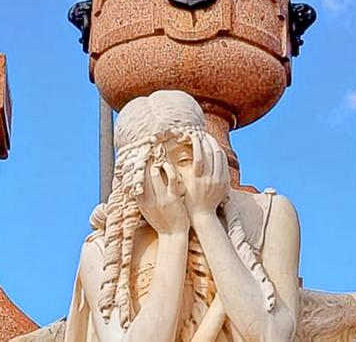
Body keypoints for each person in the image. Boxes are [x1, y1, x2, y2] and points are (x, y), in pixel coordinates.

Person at [63, 90, 300, 342]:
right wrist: (173, 235)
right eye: (156, 169)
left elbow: (272, 334)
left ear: (207, 154)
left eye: (184, 158)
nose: (174, 178)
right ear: (131, 181)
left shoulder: (269, 214)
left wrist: (204, 217)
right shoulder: (105, 249)